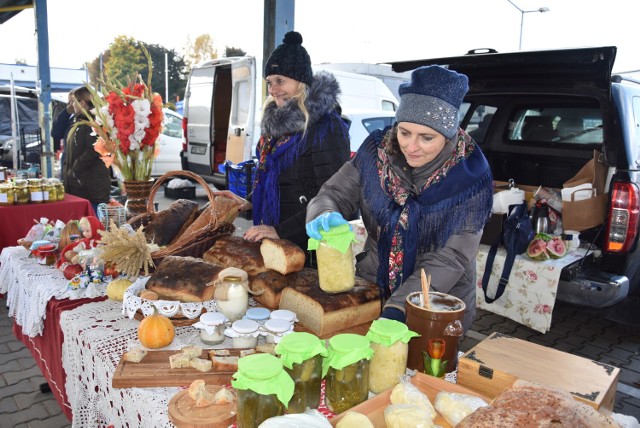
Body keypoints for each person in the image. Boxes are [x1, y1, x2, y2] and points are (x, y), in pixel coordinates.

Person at [305, 65, 493, 331]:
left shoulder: (469, 178)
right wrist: (324, 213)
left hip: (435, 304)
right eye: (404, 132)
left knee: (427, 370)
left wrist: (400, 308)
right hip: (373, 288)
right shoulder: (375, 153)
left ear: (449, 134)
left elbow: (449, 258)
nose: (411, 147)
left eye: (426, 137)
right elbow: (334, 193)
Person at [242, 31, 350, 254]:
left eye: (280, 80)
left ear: (301, 81)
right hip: (278, 245)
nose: (273, 90)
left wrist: (281, 231)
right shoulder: (274, 128)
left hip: (311, 249)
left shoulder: (326, 127)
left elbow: (335, 197)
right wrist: (246, 202)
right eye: (270, 82)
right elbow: (275, 181)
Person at [62, 86, 111, 215]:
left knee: (95, 227)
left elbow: (95, 149)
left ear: (82, 103)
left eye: (74, 101)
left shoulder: (94, 121)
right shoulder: (79, 120)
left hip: (91, 187)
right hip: (81, 184)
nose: (72, 105)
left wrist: (75, 169)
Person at [51, 91, 75, 180]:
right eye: (68, 102)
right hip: (67, 165)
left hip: (79, 170)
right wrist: (66, 112)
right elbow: (55, 133)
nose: (69, 105)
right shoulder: (69, 117)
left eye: (72, 102)